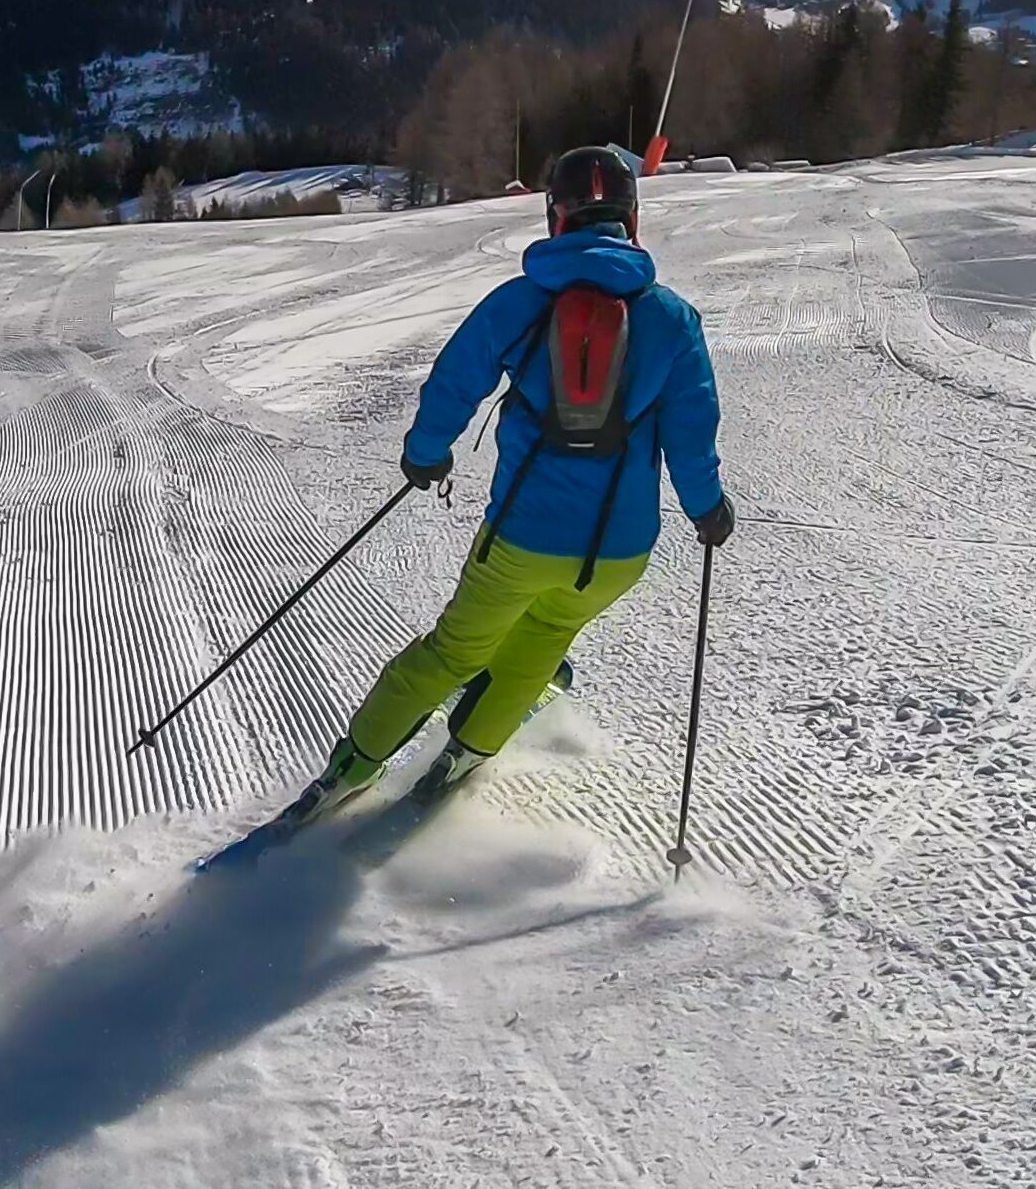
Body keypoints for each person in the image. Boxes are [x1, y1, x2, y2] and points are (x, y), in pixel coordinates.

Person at [274, 143, 734, 826]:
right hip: (617, 554)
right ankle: (468, 751)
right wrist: (708, 509)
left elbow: (457, 382)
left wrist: (426, 454)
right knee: (539, 649)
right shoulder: (672, 318)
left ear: (556, 219)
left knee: (453, 652)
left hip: (522, 537)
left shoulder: (519, 302)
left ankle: (352, 767)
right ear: (632, 222)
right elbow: (692, 438)